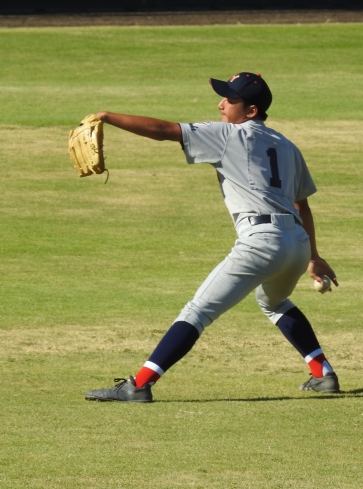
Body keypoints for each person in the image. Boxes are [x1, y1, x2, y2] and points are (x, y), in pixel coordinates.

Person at [85, 72, 339, 403]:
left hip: (261, 241)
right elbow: (301, 205)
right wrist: (313, 257)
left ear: (250, 111)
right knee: (274, 302)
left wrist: (106, 116)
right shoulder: (288, 146)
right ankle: (323, 374)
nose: (221, 104)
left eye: (230, 100)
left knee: (197, 311)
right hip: (296, 243)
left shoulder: (230, 135)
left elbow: (164, 131)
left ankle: (139, 385)